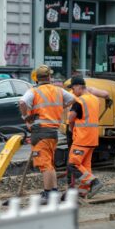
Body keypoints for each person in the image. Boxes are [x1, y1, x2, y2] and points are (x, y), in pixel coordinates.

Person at [18, 64, 77, 204]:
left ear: (37, 78)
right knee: (50, 163)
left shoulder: (34, 91)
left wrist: (26, 117)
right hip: (53, 132)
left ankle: (48, 194)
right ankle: (54, 191)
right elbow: (73, 99)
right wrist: (59, 108)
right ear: (49, 77)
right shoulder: (58, 90)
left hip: (40, 131)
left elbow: (22, 102)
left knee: (45, 165)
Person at [67, 77, 109, 198]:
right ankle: (83, 191)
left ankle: (94, 182)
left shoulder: (79, 101)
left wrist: (71, 128)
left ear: (79, 86)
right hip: (92, 138)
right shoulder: (95, 100)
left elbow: (71, 118)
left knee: (73, 164)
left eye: (73, 88)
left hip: (82, 138)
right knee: (85, 166)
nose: (73, 91)